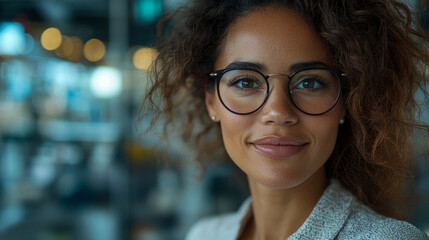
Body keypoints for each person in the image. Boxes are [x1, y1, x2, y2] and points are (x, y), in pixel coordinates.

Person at [141, 0, 429, 239]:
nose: (278, 111)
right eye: (245, 82)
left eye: (310, 83)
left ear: (346, 102)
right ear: (211, 101)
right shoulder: (205, 235)